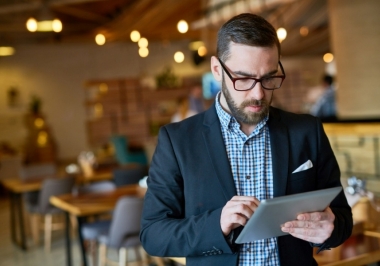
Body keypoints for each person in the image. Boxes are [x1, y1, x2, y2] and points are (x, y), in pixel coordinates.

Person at [140, 13, 352, 266]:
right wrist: (217, 224)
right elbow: (153, 234)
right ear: (217, 69)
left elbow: (341, 218)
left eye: (269, 77)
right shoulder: (177, 141)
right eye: (244, 79)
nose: (258, 93)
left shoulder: (307, 131)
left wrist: (330, 229)